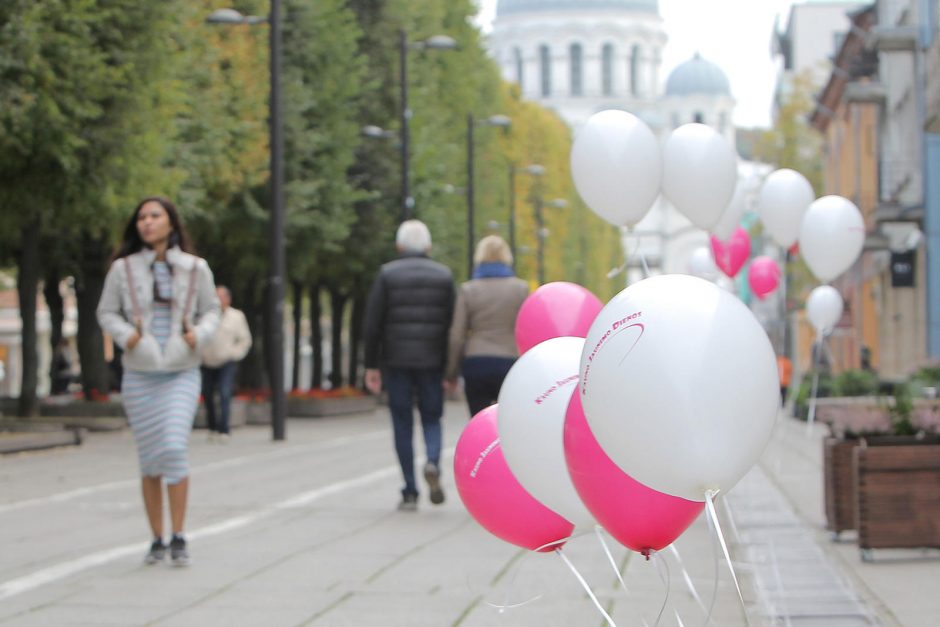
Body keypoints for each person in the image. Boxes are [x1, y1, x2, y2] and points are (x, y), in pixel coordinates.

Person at [97, 196, 220, 567]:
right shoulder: (123, 269)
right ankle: (157, 538)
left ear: (171, 222)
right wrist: (126, 336)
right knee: (149, 459)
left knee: (173, 446)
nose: (147, 223)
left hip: (181, 369)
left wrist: (199, 334)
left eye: (156, 216)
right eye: (142, 218)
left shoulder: (196, 268)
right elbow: (106, 311)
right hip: (140, 371)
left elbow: (211, 308)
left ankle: (179, 534)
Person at [363, 220, 455, 512]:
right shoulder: (443, 276)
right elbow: (453, 324)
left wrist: (370, 365)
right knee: (431, 417)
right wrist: (451, 367)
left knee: (402, 423)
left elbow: (372, 323)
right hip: (432, 359)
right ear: (428, 246)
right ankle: (432, 461)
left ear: (399, 246)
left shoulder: (387, 274)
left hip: (396, 359)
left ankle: (410, 490)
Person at [446, 235, 528, 418]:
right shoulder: (520, 289)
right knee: (508, 421)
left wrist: (451, 372)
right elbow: (528, 328)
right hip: (510, 362)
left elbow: (457, 335)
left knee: (479, 421)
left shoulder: (469, 290)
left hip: (477, 361)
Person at [200, 286, 252, 442]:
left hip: (226, 361)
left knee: (224, 393)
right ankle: (212, 427)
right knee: (207, 394)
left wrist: (234, 354)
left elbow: (245, 340)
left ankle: (224, 429)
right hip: (207, 361)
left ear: (228, 299)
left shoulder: (236, 316)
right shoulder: (205, 316)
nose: (217, 300)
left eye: (220, 296)